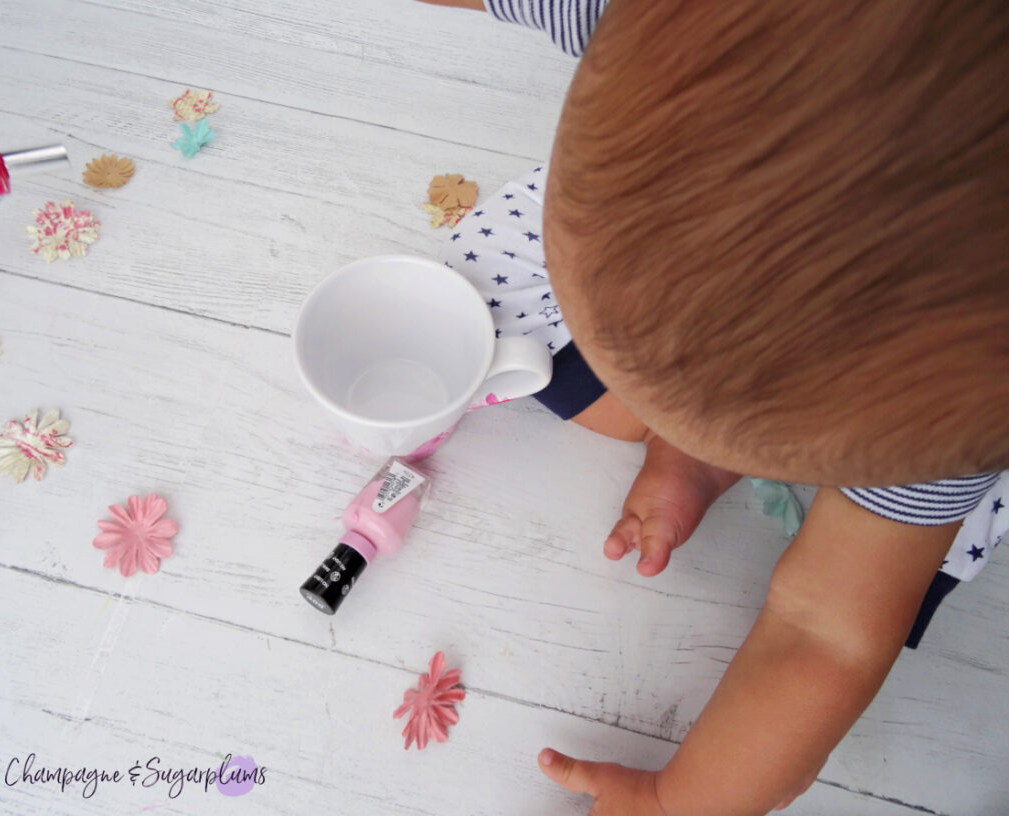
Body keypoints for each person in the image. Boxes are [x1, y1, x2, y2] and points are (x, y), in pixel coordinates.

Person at [420, 1, 1009, 812]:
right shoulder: (666, 22)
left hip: (952, 399)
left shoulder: (957, 397)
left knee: (909, 560)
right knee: (480, 301)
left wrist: (679, 804)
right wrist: (685, 443)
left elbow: (826, 634)